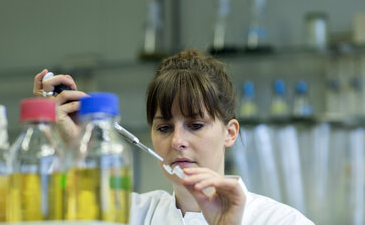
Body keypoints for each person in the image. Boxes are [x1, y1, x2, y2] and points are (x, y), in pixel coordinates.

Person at [33, 49, 314, 224]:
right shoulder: (130, 214)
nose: (177, 140)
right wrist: (69, 147)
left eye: (195, 125)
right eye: (164, 127)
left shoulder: (280, 221)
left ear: (230, 133)